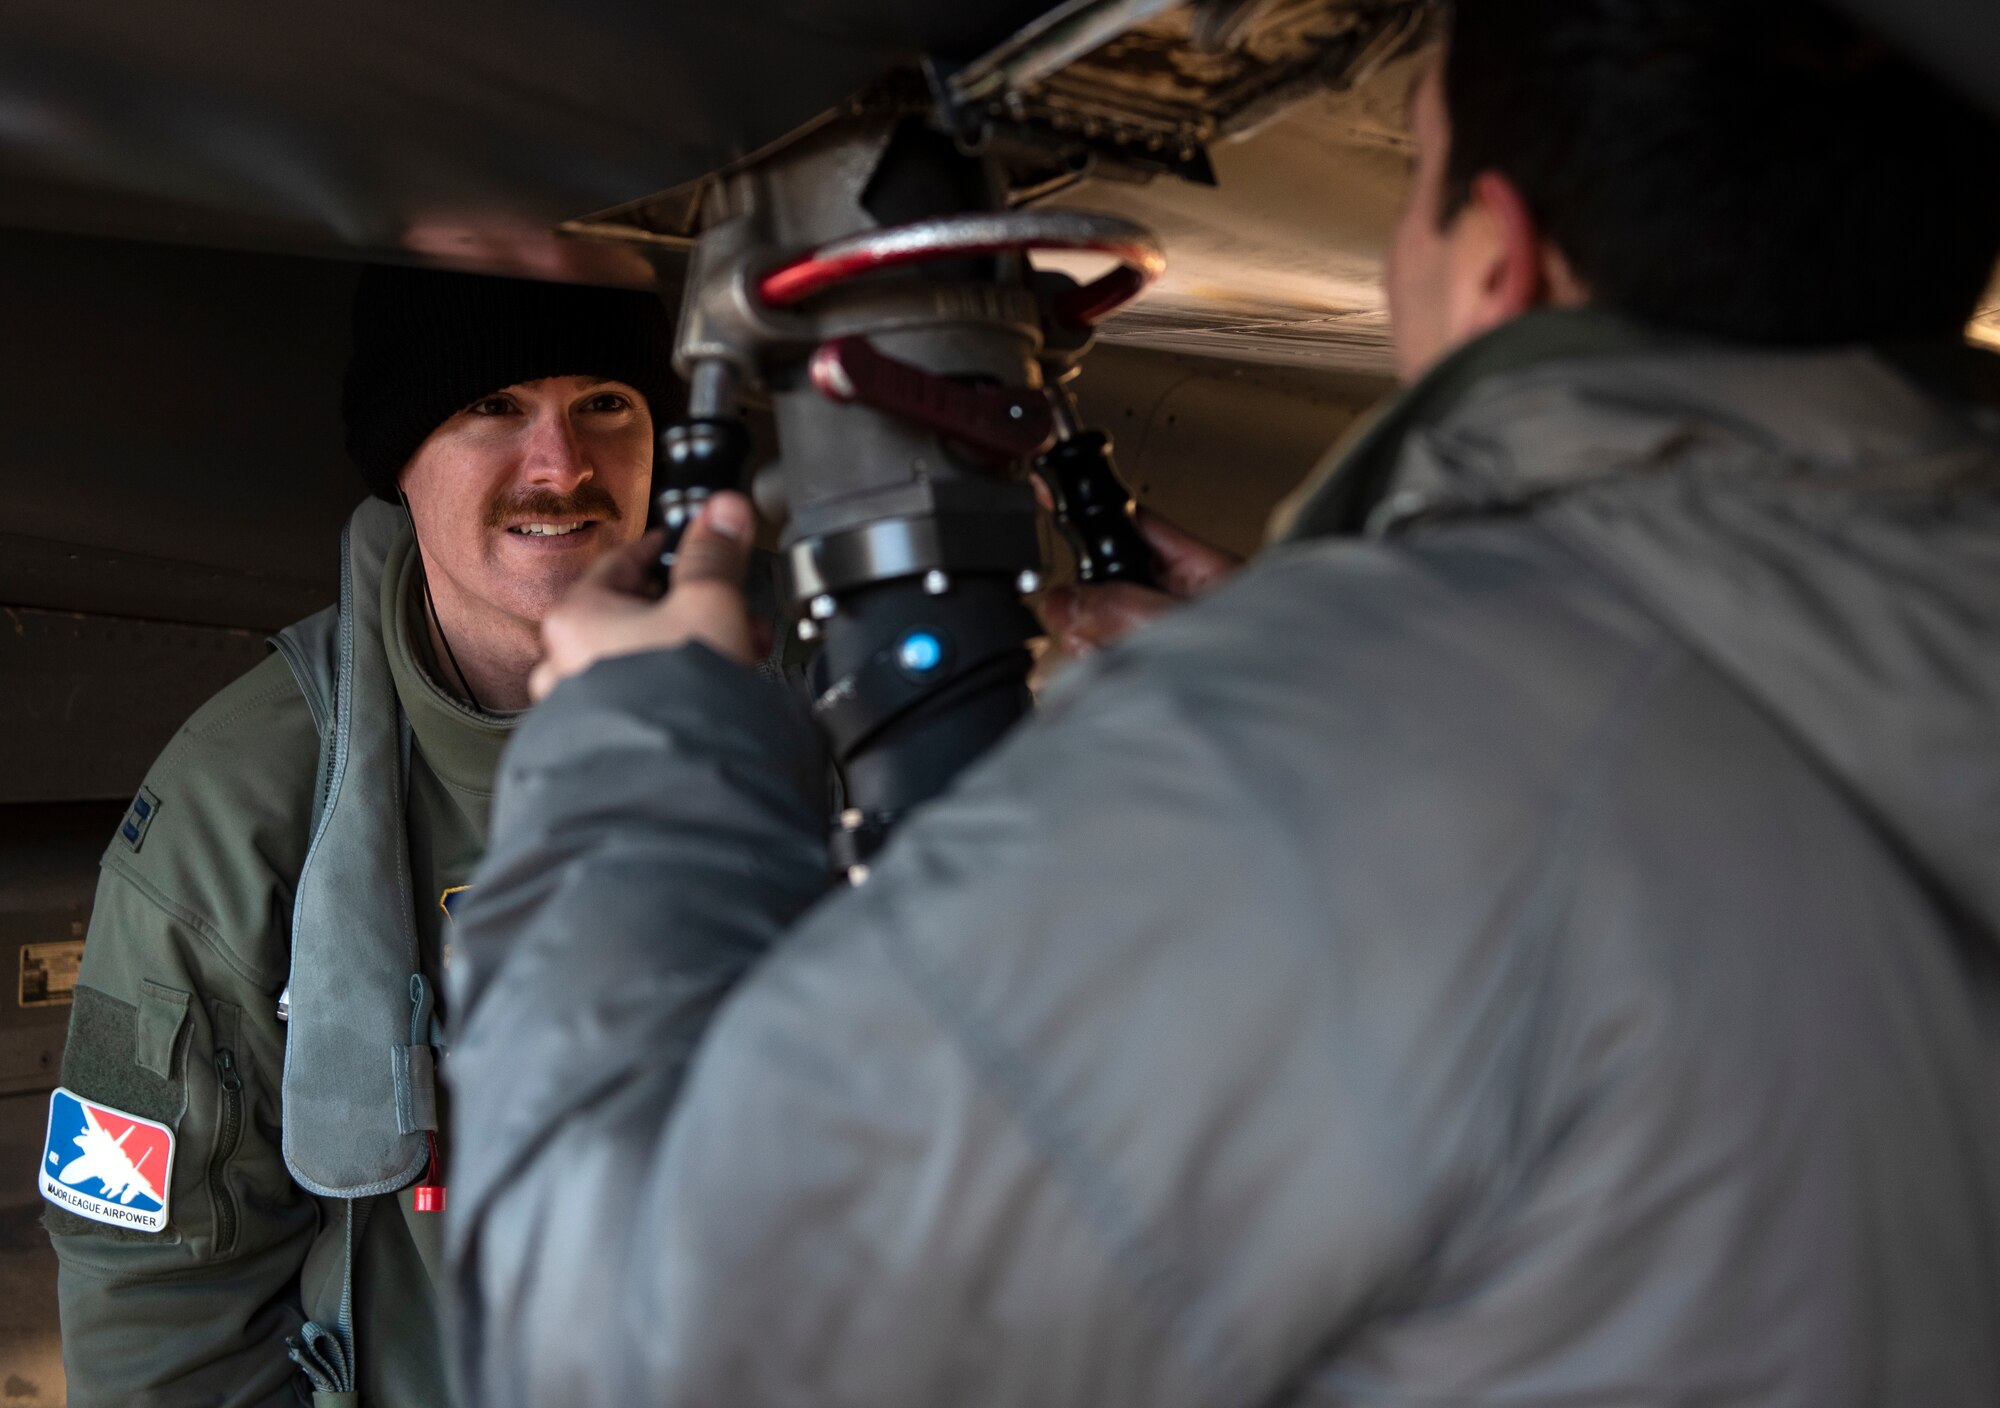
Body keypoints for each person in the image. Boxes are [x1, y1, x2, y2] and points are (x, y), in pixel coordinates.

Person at [444, 1, 2000, 1403]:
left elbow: (633, 1353)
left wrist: (631, 757)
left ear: (1496, 257)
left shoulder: (1365, 750)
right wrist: (1332, 689)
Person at [41, 264, 672, 1406]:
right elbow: (157, 1314)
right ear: (400, 452)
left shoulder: (805, 727)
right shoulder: (247, 803)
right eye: (492, 405)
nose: (560, 466)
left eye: (605, 405)